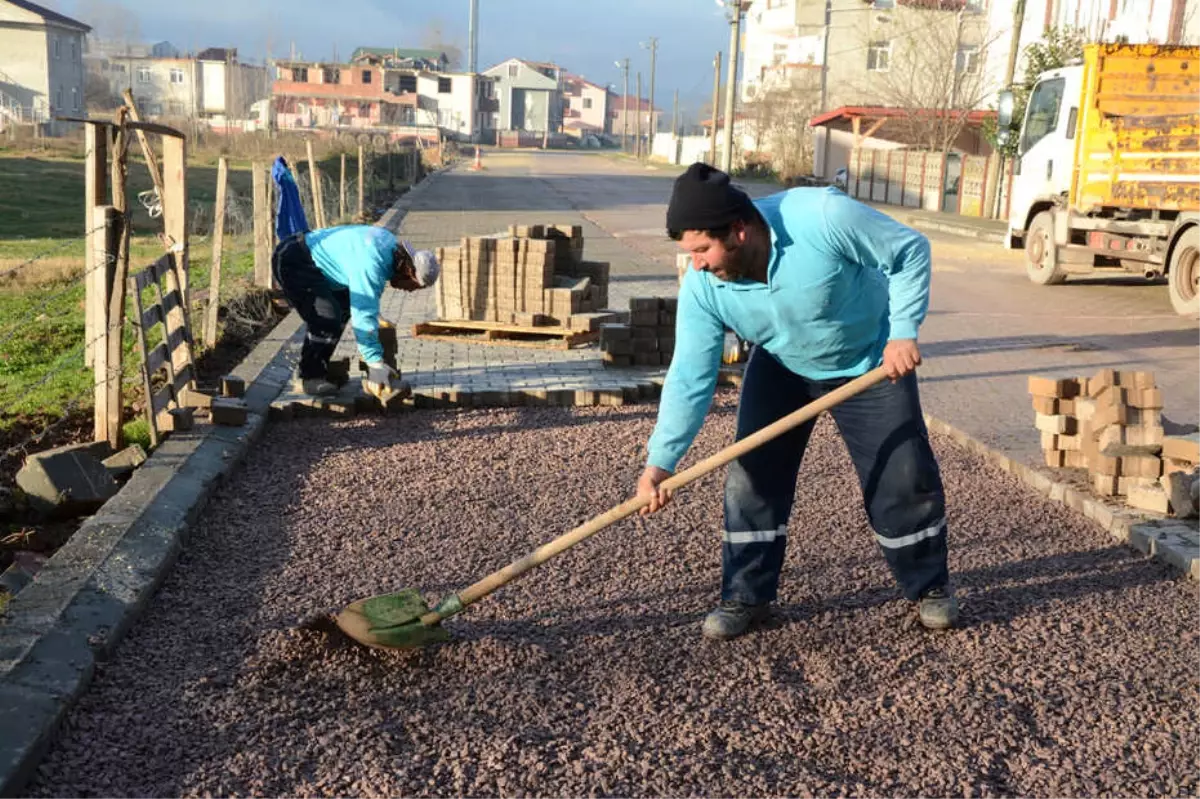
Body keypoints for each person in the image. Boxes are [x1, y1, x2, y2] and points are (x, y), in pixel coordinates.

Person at [636, 162, 957, 641]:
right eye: (690, 252)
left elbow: (910, 250)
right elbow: (689, 375)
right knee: (751, 478)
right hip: (783, 364)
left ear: (739, 230)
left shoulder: (822, 217)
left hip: (869, 360)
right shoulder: (703, 286)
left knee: (903, 475)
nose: (697, 263)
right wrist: (660, 462)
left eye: (702, 249)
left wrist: (903, 331)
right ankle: (746, 595)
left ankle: (929, 588)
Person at [272, 224, 439, 397]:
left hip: (313, 261)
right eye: (414, 286)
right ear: (409, 271)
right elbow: (363, 314)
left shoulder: (389, 247)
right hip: (295, 260)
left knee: (343, 310)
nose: (410, 291)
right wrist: (374, 362)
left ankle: (316, 366)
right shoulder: (374, 263)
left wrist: (374, 313)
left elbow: (366, 290)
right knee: (326, 318)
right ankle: (308, 377)